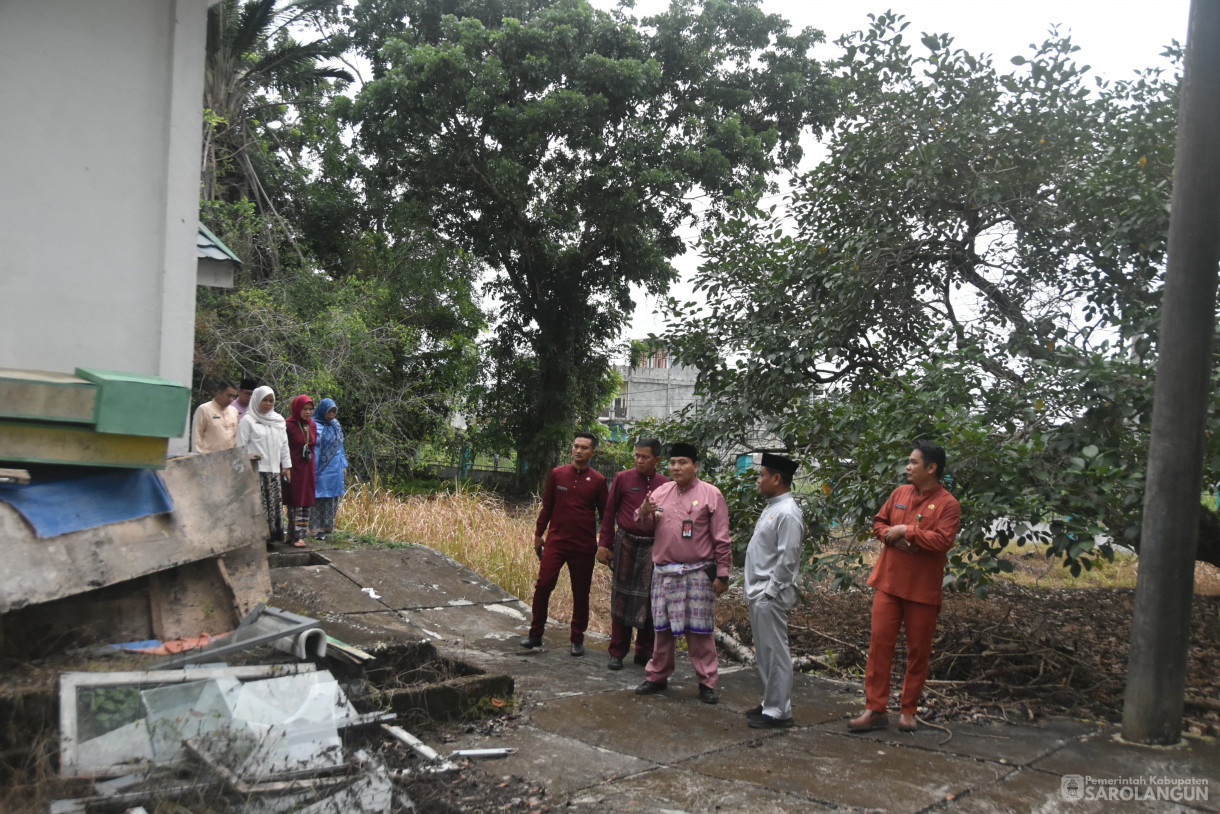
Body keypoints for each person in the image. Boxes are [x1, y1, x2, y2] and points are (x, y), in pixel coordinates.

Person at [848, 440, 961, 734]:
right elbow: (879, 523)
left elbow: (942, 540)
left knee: (918, 652)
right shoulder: (899, 493)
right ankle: (875, 709)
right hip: (888, 583)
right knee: (879, 647)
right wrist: (890, 535)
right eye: (908, 462)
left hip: (922, 591)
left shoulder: (948, 504)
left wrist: (907, 530)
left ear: (931, 468)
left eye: (913, 462)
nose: (907, 468)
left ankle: (909, 710)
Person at [633, 442, 731, 705]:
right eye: (673, 462)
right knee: (661, 629)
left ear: (696, 466)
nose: (676, 467)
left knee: (700, 632)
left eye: (683, 462)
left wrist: (723, 574)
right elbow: (641, 522)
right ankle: (657, 676)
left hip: (697, 573)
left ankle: (707, 682)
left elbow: (722, 539)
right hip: (663, 573)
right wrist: (643, 512)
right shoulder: (661, 492)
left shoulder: (712, 495)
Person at [522, 432, 609, 656]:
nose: (578, 451)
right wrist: (538, 533)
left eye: (584, 448)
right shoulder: (558, 474)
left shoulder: (598, 481)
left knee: (581, 592)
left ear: (593, 453)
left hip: (583, 545)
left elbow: (606, 515)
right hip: (556, 542)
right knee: (543, 586)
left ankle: (577, 638)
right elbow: (547, 506)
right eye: (575, 446)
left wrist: (605, 544)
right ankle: (535, 634)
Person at [743, 453, 804, 729]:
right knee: (766, 652)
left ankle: (780, 711)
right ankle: (771, 702)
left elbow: (787, 559)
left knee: (776, 652)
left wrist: (770, 591)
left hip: (770, 595)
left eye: (762, 474)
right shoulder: (773, 507)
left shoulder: (788, 512)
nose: (759, 480)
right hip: (760, 593)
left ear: (777, 479)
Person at [596, 438, 668, 670]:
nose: (638, 460)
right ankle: (617, 651)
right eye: (636, 455)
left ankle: (644, 652)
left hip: (653, 548)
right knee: (622, 599)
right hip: (625, 544)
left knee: (649, 600)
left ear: (657, 460)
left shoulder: (665, 484)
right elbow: (608, 514)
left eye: (644, 457)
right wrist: (604, 545)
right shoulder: (622, 478)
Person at [237, 385, 291, 545]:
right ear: (256, 401)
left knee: (273, 505)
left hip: (273, 471)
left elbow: (284, 445)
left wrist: (286, 466)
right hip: (256, 472)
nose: (268, 404)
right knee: (259, 507)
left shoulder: (278, 421)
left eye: (271, 401)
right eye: (264, 400)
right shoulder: (248, 421)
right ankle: (257, 540)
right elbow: (240, 447)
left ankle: (272, 538)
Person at [309, 398, 347, 541]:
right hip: (318, 468)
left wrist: (343, 464)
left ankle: (326, 527)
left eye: (333, 411)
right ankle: (315, 528)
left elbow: (341, 446)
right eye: (329, 411)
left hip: (334, 468)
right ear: (322, 410)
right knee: (318, 497)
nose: (331, 414)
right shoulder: (313, 424)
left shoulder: (336, 425)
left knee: (332, 497)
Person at [283, 394, 318, 548]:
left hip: (308, 468)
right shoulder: (288, 425)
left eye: (311, 409)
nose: (308, 412)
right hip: (293, 467)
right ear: (298, 408)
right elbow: (284, 447)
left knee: (305, 501)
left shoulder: (313, 425)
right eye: (305, 409)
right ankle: (294, 534)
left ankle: (299, 535)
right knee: (294, 500)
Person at [191, 380, 239, 454]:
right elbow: (196, 438)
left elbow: (235, 438)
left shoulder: (234, 411)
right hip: (208, 459)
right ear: (219, 392)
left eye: (233, 396)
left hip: (228, 459)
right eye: (229, 395)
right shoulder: (204, 409)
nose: (231, 399)